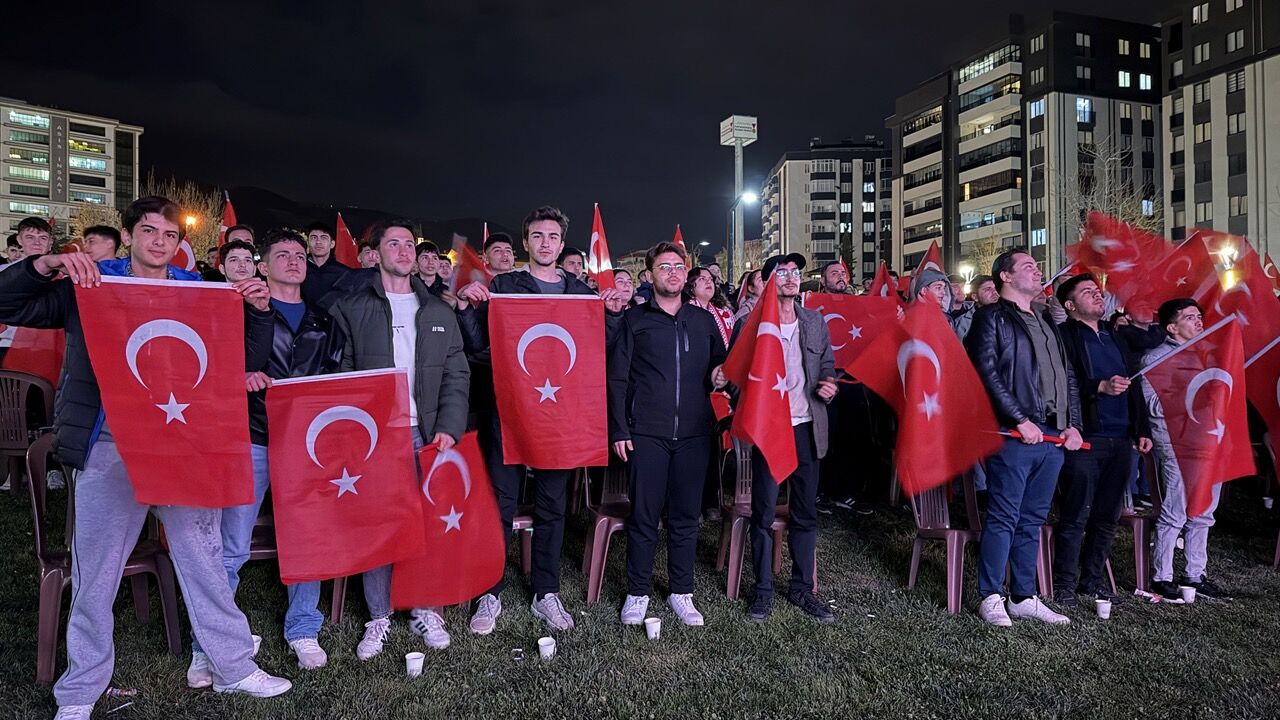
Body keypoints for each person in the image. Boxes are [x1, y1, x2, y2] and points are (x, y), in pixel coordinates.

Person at [0, 197, 291, 719]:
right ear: (130, 234)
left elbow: (243, 358)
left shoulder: (197, 289)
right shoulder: (90, 283)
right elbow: (6, 304)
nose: (160, 241)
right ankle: (80, 691)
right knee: (95, 574)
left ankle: (233, 667)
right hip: (108, 445)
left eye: (170, 235)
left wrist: (259, 312)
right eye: (150, 231)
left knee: (205, 561)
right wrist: (45, 264)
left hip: (182, 445)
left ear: (180, 244)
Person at [456, 206, 624, 634]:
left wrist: (611, 315)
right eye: (537, 236)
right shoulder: (505, 286)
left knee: (552, 505)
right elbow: (480, 350)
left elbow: (598, 351)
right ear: (526, 242)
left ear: (561, 243)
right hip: (511, 412)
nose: (545, 243)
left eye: (552, 236)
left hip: (560, 418)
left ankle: (545, 591)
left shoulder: (581, 292)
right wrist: (467, 309)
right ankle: (489, 591)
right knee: (500, 502)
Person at [330, 218, 470, 654]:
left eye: (409, 243)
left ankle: (425, 609)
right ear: (375, 253)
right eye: (394, 244)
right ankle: (379, 615)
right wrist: (353, 436)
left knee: (427, 526)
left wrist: (448, 427)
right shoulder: (352, 308)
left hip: (425, 435)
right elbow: (340, 377)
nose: (405, 250)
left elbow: (456, 374)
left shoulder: (438, 312)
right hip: (376, 438)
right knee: (379, 527)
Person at [208, 228, 344, 673]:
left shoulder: (324, 319)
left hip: (305, 443)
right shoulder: (239, 310)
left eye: (300, 254)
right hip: (253, 435)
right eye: (282, 255)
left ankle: (303, 627)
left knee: (307, 539)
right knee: (232, 545)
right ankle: (212, 639)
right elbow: (213, 365)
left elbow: (336, 376)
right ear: (262, 266)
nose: (294, 260)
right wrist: (238, 379)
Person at [609, 241, 728, 627]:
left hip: (695, 433)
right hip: (646, 432)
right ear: (650, 275)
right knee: (644, 516)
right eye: (664, 267)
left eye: (678, 266)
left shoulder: (702, 321)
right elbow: (617, 378)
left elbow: (718, 365)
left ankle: (681, 591)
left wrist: (720, 375)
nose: (673, 273)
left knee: (685, 516)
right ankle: (637, 592)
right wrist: (619, 428)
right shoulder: (634, 320)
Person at [965, 248, 1083, 627]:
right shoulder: (990, 317)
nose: (1037, 271)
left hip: (1052, 435)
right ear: (1005, 276)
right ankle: (990, 594)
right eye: (1028, 266)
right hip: (1015, 433)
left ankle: (1023, 596)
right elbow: (986, 371)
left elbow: (1066, 376)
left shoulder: (1046, 319)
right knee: (1004, 514)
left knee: (1032, 518)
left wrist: (1073, 424)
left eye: (1037, 266)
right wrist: (1018, 418)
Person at [734, 253, 839, 625]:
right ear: (767, 282)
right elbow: (736, 376)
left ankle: (802, 588)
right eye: (782, 273)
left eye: (796, 272)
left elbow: (827, 364)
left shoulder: (814, 321)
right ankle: (762, 591)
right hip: (770, 430)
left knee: (805, 513)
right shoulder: (751, 324)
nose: (792, 278)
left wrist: (828, 383)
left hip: (807, 427)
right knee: (763, 514)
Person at [1052, 274, 1161, 607]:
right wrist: (1098, 387)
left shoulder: (1114, 335)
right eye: (1087, 292)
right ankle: (1064, 584)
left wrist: (1141, 429)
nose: (1097, 295)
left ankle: (1092, 581)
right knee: (1076, 514)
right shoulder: (1064, 336)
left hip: (1121, 438)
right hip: (1085, 437)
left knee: (1107, 516)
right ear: (1070, 305)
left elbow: (1134, 382)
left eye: (1097, 291)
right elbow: (1062, 383)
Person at [1142, 299, 1231, 602]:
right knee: (1175, 511)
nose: (1198, 321)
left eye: (1199, 316)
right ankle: (1162, 577)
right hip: (1175, 444)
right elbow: (1153, 406)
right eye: (1190, 317)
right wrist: (1194, 395)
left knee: (1204, 512)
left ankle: (1195, 574)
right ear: (1171, 327)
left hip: (1208, 440)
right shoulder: (1155, 358)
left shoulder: (1208, 358)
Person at [301, 221, 352, 307]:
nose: (318, 242)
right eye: (314, 237)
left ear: (332, 244)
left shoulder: (345, 273)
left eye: (323, 237)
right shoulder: (299, 269)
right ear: (308, 242)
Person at [685, 266, 734, 347]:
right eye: (702, 278)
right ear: (691, 286)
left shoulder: (724, 311)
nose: (708, 281)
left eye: (711, 279)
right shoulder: (685, 312)